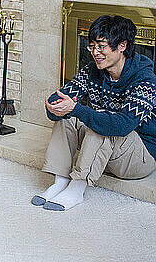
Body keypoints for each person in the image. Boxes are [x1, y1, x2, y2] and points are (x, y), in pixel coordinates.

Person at [33, 15, 156, 211]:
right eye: (91, 46)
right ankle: (61, 180)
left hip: (139, 157)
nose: (94, 52)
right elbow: (60, 101)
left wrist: (77, 109)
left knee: (102, 124)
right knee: (70, 117)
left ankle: (77, 188)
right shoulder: (92, 70)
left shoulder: (144, 78)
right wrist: (55, 107)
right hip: (108, 151)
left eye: (101, 46)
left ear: (122, 45)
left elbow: (122, 125)